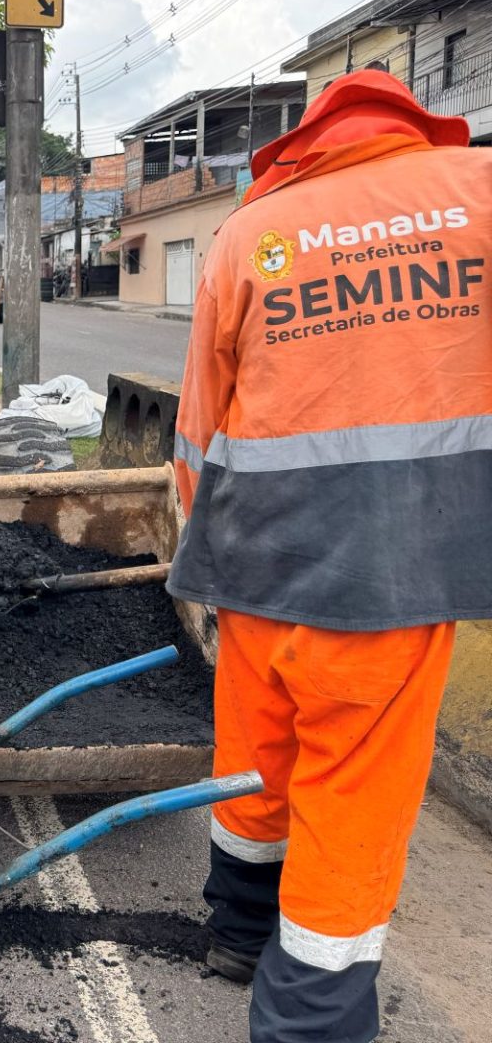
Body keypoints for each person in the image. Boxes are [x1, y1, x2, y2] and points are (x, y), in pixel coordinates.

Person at [168, 69, 492, 1043]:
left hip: (259, 568)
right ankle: (307, 1021)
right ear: (411, 125)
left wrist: (204, 556)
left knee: (255, 766)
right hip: (392, 576)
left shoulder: (249, 233)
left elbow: (198, 433)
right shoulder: (477, 199)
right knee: (348, 805)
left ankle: (238, 935)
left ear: (306, 140)